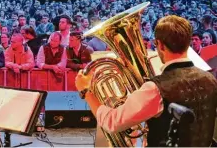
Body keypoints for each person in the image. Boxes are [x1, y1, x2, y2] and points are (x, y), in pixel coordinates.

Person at [75, 15, 217, 147]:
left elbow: (111, 122)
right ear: (189, 42)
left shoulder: (154, 88)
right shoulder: (211, 79)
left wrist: (86, 91)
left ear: (159, 45)